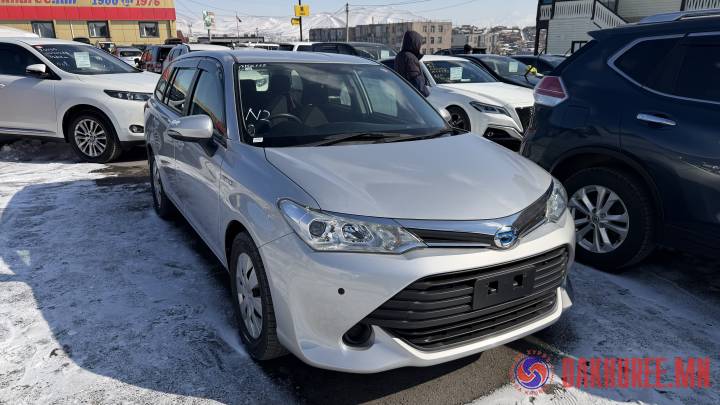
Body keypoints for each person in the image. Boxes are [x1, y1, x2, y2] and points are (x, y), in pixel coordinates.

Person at [394, 31, 430, 97]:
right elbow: (416, 79)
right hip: (412, 97)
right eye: (419, 44)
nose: (420, 46)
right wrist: (426, 93)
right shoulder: (411, 58)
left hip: (401, 96)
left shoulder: (400, 55)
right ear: (415, 43)